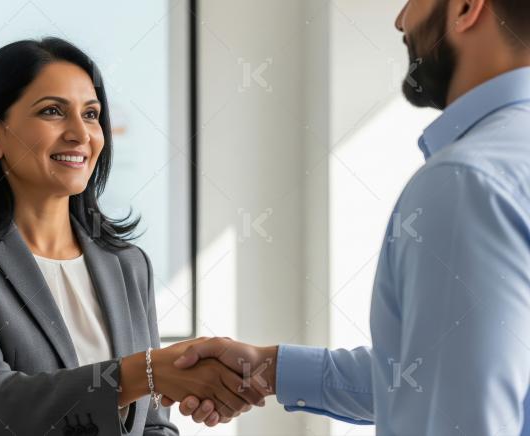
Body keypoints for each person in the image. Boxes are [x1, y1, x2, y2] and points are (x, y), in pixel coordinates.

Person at [168, 0, 530, 433]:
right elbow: (445, 377)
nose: (400, 20)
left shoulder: (465, 182)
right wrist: (270, 369)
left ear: (467, 7)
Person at [0, 37, 265, 435]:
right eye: (52, 111)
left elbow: (152, 425)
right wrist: (146, 372)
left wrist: (170, 376)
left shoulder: (127, 264)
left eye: (91, 114)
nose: (80, 134)